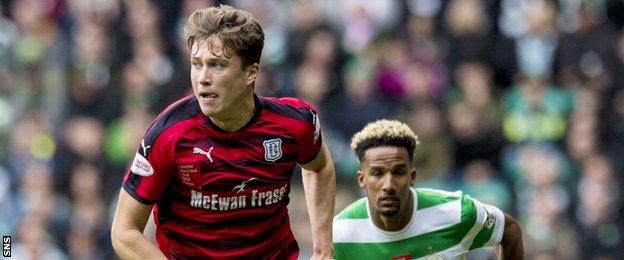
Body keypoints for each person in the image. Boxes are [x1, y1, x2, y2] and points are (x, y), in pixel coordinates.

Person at [110, 5, 336, 259]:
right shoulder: (167, 133)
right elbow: (124, 231)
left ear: (251, 73)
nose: (203, 78)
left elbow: (320, 168)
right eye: (197, 64)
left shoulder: (295, 124)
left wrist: (322, 249)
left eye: (217, 65)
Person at [333, 119, 523, 259]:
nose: (388, 185)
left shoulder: (457, 212)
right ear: (361, 179)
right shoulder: (339, 234)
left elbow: (509, 230)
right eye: (377, 173)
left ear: (412, 177)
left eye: (398, 172)